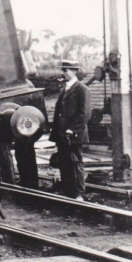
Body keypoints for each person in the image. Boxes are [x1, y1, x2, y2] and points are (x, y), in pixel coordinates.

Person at [49, 60, 92, 200]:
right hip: (62, 135)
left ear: (74, 71)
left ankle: (79, 193)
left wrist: (72, 130)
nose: (63, 73)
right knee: (64, 163)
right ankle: (68, 192)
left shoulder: (82, 89)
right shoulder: (64, 89)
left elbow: (85, 114)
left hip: (74, 134)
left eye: (66, 70)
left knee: (76, 162)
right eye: (63, 70)